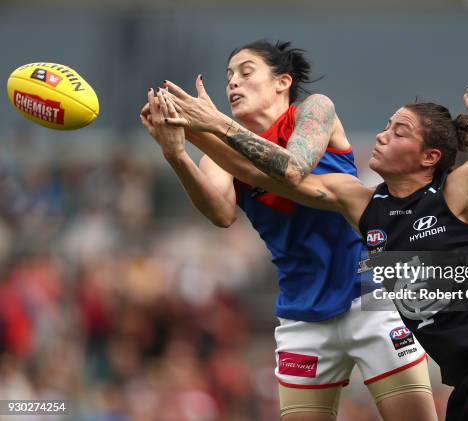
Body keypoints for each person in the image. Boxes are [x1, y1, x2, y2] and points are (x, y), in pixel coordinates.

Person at [155, 77, 468, 421]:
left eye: (399, 131)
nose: (384, 134)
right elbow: (257, 171)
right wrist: (190, 133)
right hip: (467, 386)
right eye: (388, 125)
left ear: (430, 157)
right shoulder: (363, 205)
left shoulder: (461, 189)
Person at [141, 41, 437, 421]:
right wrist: (176, 154)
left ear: (283, 82)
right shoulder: (220, 149)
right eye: (229, 77)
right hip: (302, 313)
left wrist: (215, 125)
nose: (233, 84)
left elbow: (293, 167)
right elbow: (220, 213)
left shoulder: (315, 111)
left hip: (372, 295)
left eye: (246, 73)